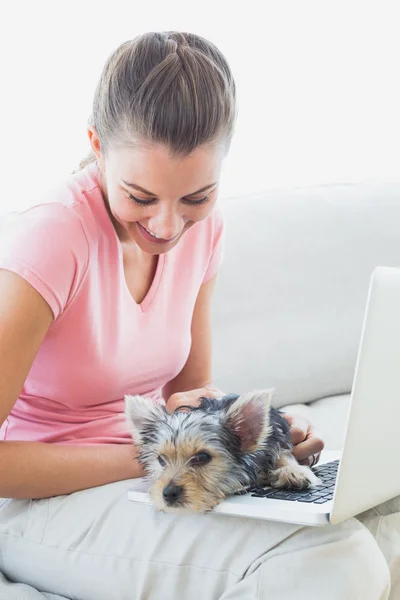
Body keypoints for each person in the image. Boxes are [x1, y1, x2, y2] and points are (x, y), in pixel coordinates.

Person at [0, 31, 390, 600]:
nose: (166, 226)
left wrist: (255, 440)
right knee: (337, 563)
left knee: (349, 537)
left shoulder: (204, 230)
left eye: (196, 197)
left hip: (159, 472)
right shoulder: (52, 238)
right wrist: (149, 461)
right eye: (140, 196)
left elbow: (190, 392)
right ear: (96, 145)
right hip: (39, 500)